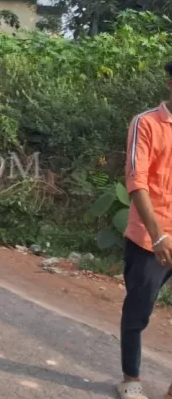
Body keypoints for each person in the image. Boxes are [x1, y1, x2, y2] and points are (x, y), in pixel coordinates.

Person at [117, 62, 172, 399]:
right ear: (170, 83)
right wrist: (158, 236)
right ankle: (131, 378)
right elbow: (136, 181)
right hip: (150, 239)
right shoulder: (147, 123)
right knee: (138, 310)